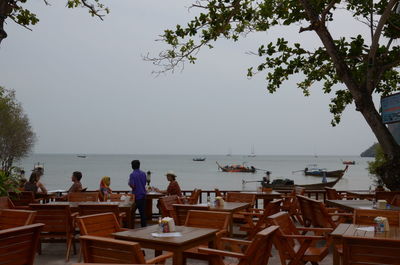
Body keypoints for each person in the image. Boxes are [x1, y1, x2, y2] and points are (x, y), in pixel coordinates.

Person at [128, 160, 147, 227]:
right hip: (143, 195)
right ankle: (144, 228)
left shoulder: (132, 175)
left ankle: (131, 227)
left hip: (136, 196)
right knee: (142, 213)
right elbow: (144, 183)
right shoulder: (143, 173)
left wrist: (129, 183)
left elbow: (133, 185)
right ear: (139, 165)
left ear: (132, 166)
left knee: (131, 212)